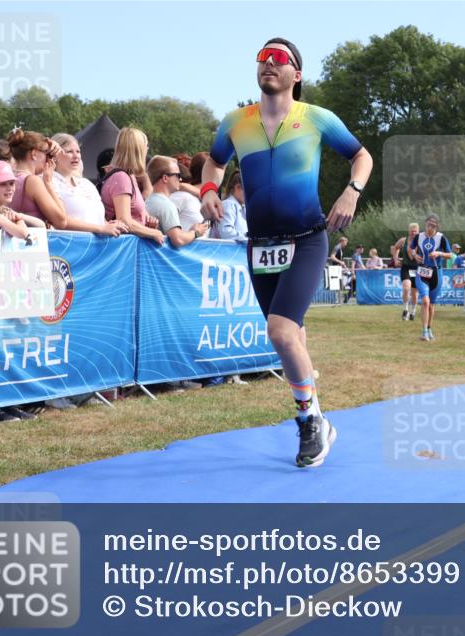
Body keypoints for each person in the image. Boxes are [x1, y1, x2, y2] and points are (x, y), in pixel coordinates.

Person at [199, 37, 372, 468]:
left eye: (279, 59)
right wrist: (207, 189)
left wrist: (352, 192)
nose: (268, 64)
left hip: (307, 238)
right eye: (262, 58)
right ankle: (319, 415)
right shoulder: (236, 122)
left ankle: (309, 419)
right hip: (262, 246)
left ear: (296, 74)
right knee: (292, 336)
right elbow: (215, 162)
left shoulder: (316, 118)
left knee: (279, 332)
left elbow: (361, 156)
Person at [50, 133, 125, 236]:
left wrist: (110, 225)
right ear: (55, 156)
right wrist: (101, 228)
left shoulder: (86, 184)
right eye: (69, 152)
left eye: (78, 151)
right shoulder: (50, 182)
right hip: (72, 247)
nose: (76, 156)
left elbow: (96, 218)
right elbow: (60, 220)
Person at [145, 156, 208, 247]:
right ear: (165, 178)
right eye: (177, 175)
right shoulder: (166, 205)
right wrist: (196, 233)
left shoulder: (148, 201)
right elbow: (178, 239)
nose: (180, 179)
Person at [409, 214, 453, 341]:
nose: (430, 227)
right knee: (425, 301)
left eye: (433, 226)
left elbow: (450, 255)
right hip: (422, 272)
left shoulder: (441, 238)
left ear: (436, 226)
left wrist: (439, 253)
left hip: (436, 273)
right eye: (428, 225)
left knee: (431, 305)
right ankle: (423, 332)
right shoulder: (419, 236)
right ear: (425, 224)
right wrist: (414, 254)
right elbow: (411, 248)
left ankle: (429, 328)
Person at [392, 222, 420, 321]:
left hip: (417, 268)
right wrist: (395, 259)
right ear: (409, 231)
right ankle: (405, 310)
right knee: (406, 288)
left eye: (415, 231)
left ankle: (413, 312)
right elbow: (395, 248)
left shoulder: (421, 242)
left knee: (414, 294)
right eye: (412, 231)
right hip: (406, 267)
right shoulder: (403, 240)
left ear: (418, 232)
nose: (413, 233)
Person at [211, 170, 247, 240]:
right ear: (238, 187)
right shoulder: (229, 204)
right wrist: (248, 238)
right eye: (247, 190)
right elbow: (226, 233)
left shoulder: (241, 207)